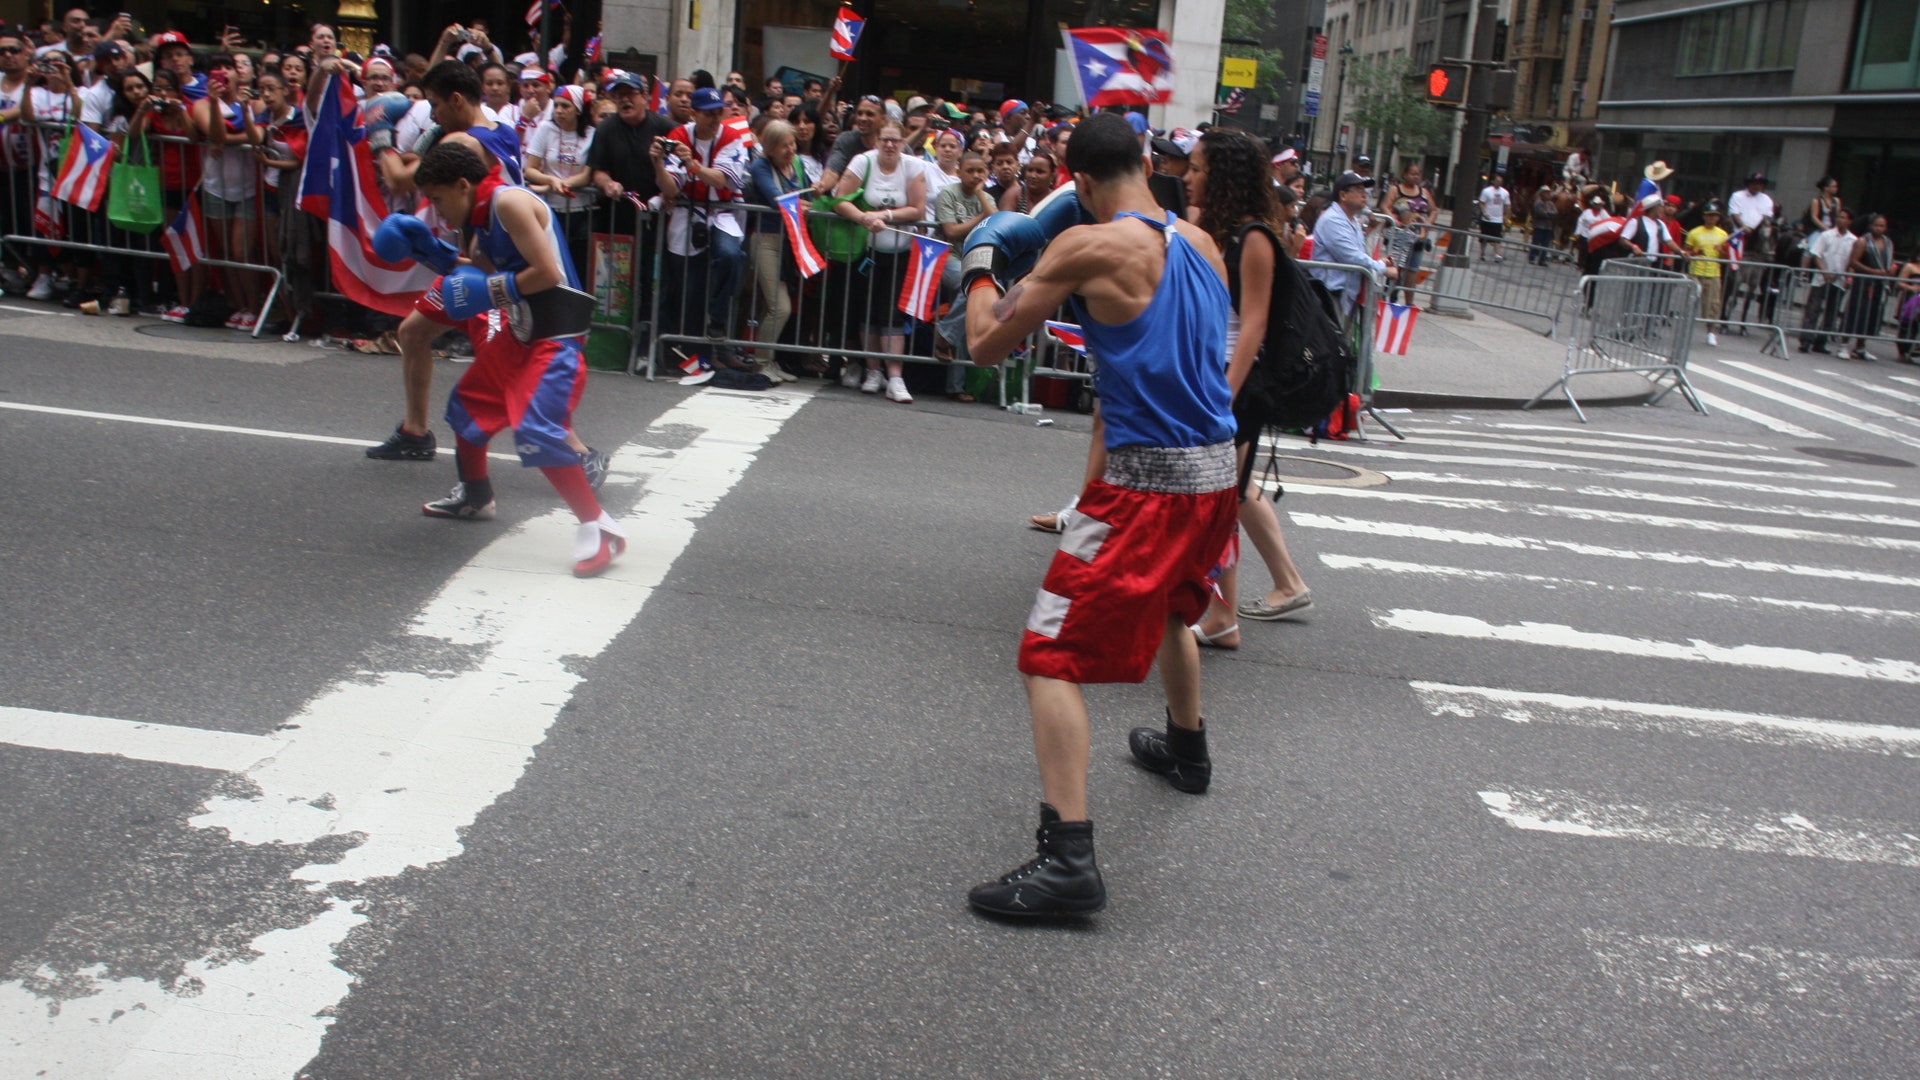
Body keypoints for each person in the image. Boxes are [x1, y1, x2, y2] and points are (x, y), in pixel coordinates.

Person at [960, 112, 1241, 917]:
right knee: (1175, 609)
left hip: (1144, 486)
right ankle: (1187, 750)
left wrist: (984, 260)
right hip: (1214, 476)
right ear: (1147, 163)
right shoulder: (1201, 243)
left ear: (1077, 181)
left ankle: (1067, 860)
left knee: (1048, 654)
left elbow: (984, 345)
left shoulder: (1086, 246)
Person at [397, 141, 624, 577]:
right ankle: (475, 494)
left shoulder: (510, 202)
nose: (437, 211)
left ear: (463, 185)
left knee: (537, 427)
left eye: (439, 199)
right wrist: (435, 255)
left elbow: (546, 273)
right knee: (467, 407)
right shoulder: (478, 221)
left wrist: (491, 290)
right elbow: (482, 274)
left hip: (557, 335)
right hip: (522, 332)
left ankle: (601, 528)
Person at [1183, 128, 1315, 652]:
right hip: (1212, 379)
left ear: (1224, 175)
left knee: (1219, 505)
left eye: (1196, 168)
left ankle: (1223, 616)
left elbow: (1254, 327)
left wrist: (1223, 394)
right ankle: (1225, 616)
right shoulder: (1215, 230)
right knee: (1226, 502)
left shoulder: (1256, 237)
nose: (1188, 176)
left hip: (1237, 386)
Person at [371, 59, 528, 461]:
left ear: (457, 99)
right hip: (473, 261)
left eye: (437, 106)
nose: (433, 114)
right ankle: (415, 431)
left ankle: (575, 452)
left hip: (494, 271)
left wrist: (378, 132)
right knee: (413, 333)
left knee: (506, 368)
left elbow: (399, 179)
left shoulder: (459, 144)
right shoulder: (501, 132)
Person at [828, 118, 926, 402]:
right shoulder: (862, 161)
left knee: (892, 313)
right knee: (868, 310)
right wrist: (862, 217)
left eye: (895, 139)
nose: (890, 145)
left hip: (899, 251)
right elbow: (839, 198)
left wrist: (885, 215)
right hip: (865, 251)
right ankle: (873, 370)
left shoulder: (913, 166)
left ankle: (895, 376)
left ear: (903, 141)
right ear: (877, 140)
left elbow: (917, 209)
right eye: (885, 139)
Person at [657, 85, 751, 349]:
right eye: (708, 113)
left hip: (722, 209)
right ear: (694, 114)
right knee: (688, 282)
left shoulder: (731, 136)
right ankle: (686, 347)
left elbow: (724, 180)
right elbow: (671, 187)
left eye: (718, 112)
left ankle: (718, 319)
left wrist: (693, 166)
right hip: (687, 212)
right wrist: (657, 163)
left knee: (730, 255)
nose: (714, 119)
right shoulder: (678, 135)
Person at [743, 117, 811, 382]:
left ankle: (768, 360)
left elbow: (807, 200)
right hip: (765, 240)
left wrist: (809, 198)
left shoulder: (798, 164)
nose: (791, 149)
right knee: (779, 306)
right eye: (784, 146)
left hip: (790, 241)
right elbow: (776, 199)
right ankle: (761, 363)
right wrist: (800, 203)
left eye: (793, 143)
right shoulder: (760, 166)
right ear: (769, 148)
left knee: (773, 307)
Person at [522, 83, 595, 291]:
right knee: (552, 265)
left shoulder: (592, 133)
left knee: (579, 267)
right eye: (557, 106)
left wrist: (560, 184)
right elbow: (531, 169)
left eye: (566, 106)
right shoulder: (546, 128)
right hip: (551, 210)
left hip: (582, 211)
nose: (559, 111)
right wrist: (551, 182)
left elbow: (587, 175)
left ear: (579, 110)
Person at [1308, 171, 1395, 315]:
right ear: (1343, 195)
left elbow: (1357, 254)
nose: (1364, 195)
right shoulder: (1333, 220)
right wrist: (1382, 268)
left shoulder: (1352, 220)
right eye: (1359, 190)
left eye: (1365, 190)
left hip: (1344, 292)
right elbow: (1351, 256)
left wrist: (1380, 262)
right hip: (1330, 293)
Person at [1839, 212, 1895, 361]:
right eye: (1877, 225)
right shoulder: (1862, 241)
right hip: (1863, 283)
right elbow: (1853, 262)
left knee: (1870, 315)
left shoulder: (1888, 242)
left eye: (1882, 226)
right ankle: (1844, 345)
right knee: (1855, 312)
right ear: (1870, 226)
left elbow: (1889, 260)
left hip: (1879, 284)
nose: (1880, 228)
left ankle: (1860, 347)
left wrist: (1889, 271)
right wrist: (1872, 271)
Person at [1798, 206, 1854, 354]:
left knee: (1832, 311)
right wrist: (1824, 272)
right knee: (1813, 309)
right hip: (1821, 279)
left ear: (1850, 221)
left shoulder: (1852, 240)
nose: (1840, 220)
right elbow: (1817, 254)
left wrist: (1849, 277)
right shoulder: (1827, 235)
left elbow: (1852, 262)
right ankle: (1806, 340)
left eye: (1844, 217)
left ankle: (1821, 342)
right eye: (1839, 217)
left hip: (1839, 280)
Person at [1684, 203, 1731, 346]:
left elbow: (1726, 257)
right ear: (1704, 216)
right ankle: (1685, 330)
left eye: (1714, 215)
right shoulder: (1694, 232)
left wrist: (1722, 251)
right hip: (1695, 272)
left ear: (1718, 218)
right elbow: (1685, 252)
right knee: (1691, 303)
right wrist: (1695, 253)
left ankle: (1711, 332)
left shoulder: (1723, 234)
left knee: (1713, 305)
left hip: (1713, 273)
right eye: (1709, 215)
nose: (1711, 218)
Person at [999, 148, 1056, 213]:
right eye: (1030, 170)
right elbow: (1006, 221)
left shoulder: (1057, 199)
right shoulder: (1013, 195)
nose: (1033, 176)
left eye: (1040, 172)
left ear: (1051, 176)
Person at [1726, 171, 1775, 240]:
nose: (1757, 186)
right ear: (1749, 184)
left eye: (1759, 184)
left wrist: (1757, 230)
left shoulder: (1767, 199)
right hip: (1738, 233)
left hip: (1757, 236)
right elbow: (1734, 214)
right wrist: (1743, 227)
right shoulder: (1737, 196)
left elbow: (1767, 217)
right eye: (1754, 183)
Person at [1476, 172, 1510, 260]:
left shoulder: (1505, 193)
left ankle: (1497, 255)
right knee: (1484, 238)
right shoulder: (1486, 191)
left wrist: (1506, 216)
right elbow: (1481, 202)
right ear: (1493, 181)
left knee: (1497, 237)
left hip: (1498, 219)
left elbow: (1507, 205)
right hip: (1487, 219)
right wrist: (1484, 212)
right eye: (1497, 181)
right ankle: (1482, 253)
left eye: (1501, 181)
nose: (1499, 183)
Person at [1528, 185, 1557, 265]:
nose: (1548, 195)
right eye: (1546, 193)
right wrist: (1548, 214)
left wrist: (1548, 213)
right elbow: (1540, 213)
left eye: (1549, 193)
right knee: (1536, 242)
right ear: (1542, 194)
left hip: (1548, 227)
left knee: (1546, 244)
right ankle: (1532, 257)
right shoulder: (1538, 203)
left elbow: (1555, 212)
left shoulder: (1551, 204)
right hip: (1539, 226)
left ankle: (1542, 260)